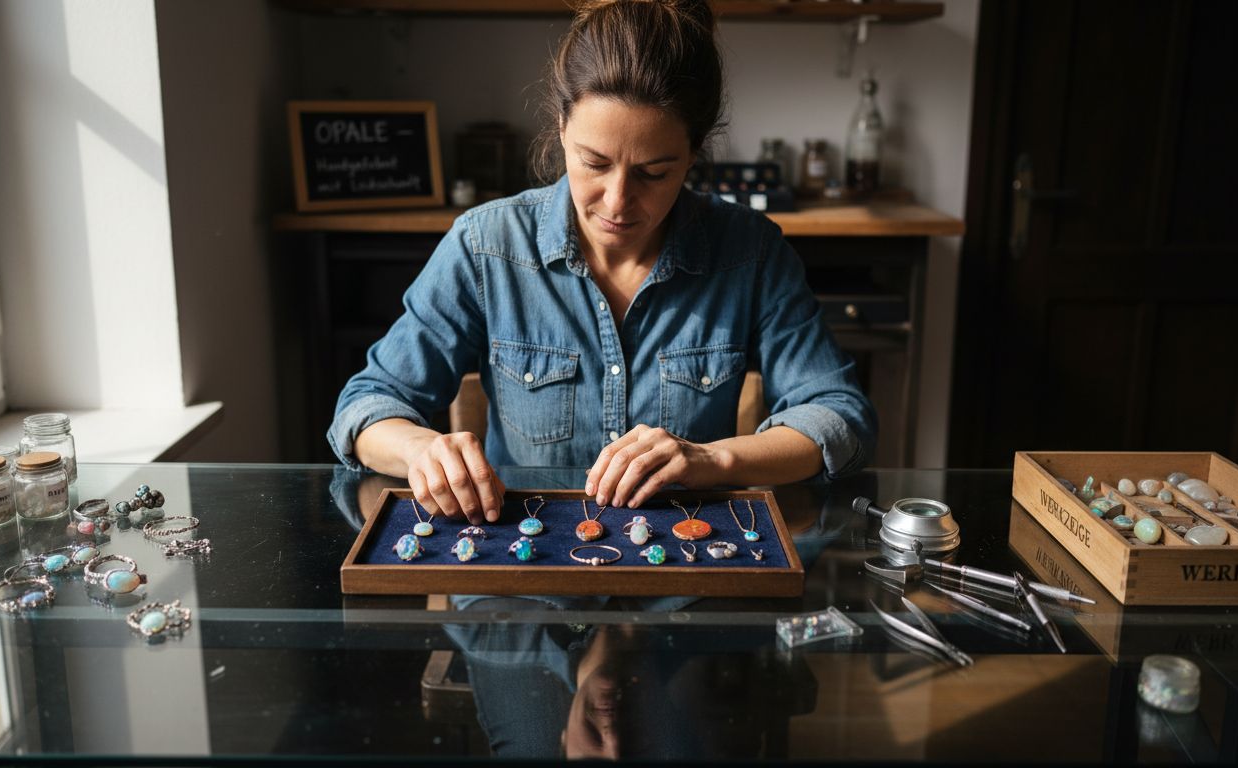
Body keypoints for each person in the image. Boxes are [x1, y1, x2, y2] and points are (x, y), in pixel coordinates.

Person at [328, 0, 876, 525]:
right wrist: (424, 449)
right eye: (594, 162)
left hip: (684, 586)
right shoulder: (486, 245)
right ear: (561, 125)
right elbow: (365, 408)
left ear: (694, 151)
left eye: (654, 172)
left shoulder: (749, 252)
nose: (616, 201)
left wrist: (715, 460)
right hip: (523, 593)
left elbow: (837, 416)